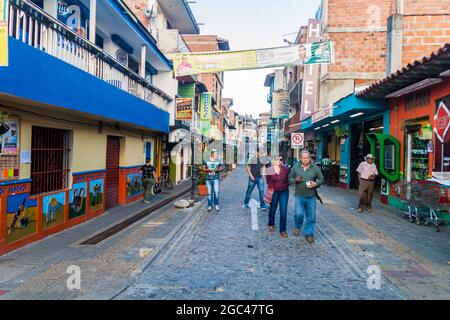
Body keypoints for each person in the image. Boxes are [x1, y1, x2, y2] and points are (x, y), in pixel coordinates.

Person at [289, 150, 324, 244]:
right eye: (303, 158)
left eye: (307, 158)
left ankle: (309, 233)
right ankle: (297, 226)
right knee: (299, 214)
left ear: (310, 158)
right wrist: (295, 180)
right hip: (299, 196)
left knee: (311, 216)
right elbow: (290, 179)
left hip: (311, 196)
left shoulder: (315, 168)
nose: (305, 160)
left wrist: (316, 183)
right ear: (300, 158)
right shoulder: (295, 167)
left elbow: (322, 179)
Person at [266, 156, 290, 238]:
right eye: (277, 159)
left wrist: (284, 185)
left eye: (281, 159)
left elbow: (288, 180)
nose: (279, 161)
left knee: (283, 210)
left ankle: (283, 230)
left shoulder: (286, 169)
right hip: (274, 191)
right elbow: (268, 181)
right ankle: (271, 223)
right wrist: (273, 187)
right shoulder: (269, 169)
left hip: (284, 191)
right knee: (273, 208)